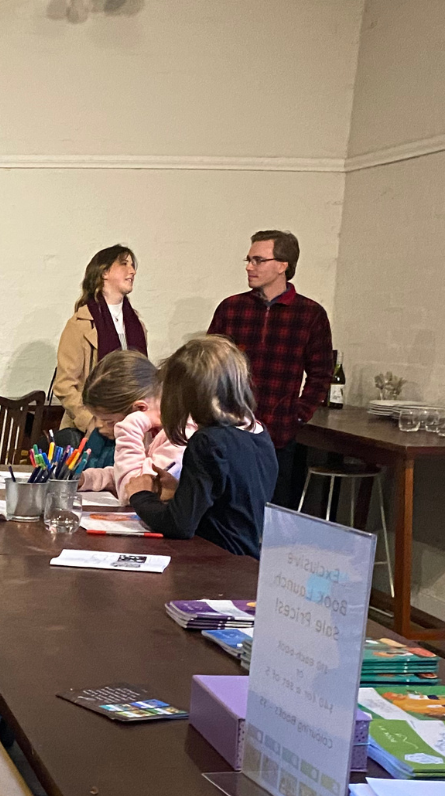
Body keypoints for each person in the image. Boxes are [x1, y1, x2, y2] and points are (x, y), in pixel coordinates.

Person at [206, 230, 333, 509]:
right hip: (229, 429)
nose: (250, 267)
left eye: (258, 260)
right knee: (225, 509)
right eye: (248, 260)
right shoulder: (231, 308)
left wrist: (297, 414)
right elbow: (208, 366)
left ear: (282, 265)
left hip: (278, 434)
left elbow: (322, 372)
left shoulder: (310, 314)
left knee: (272, 514)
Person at [125, 336, 277, 557]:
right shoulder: (260, 433)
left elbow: (179, 525)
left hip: (216, 559)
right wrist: (181, 490)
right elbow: (230, 503)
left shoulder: (208, 442)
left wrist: (140, 496)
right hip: (248, 559)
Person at [52, 245, 147, 432]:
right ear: (104, 272)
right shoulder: (81, 325)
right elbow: (64, 385)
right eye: (124, 264)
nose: (132, 271)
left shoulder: (137, 325)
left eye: (132, 265)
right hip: (95, 429)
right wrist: (90, 420)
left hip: (132, 429)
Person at [75, 350, 185, 495]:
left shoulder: (180, 436)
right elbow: (127, 474)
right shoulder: (150, 427)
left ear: (139, 408)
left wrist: (130, 429)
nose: (98, 426)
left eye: (110, 421)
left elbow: (133, 491)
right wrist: (85, 478)